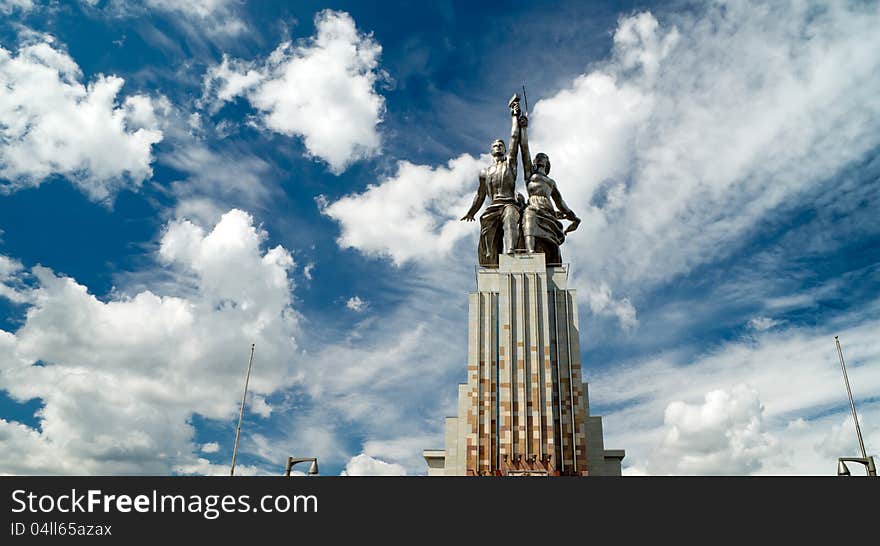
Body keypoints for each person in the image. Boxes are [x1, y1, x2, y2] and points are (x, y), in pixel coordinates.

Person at [461, 96, 526, 267]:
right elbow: (480, 195)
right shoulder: (484, 172)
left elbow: (514, 138)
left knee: (511, 217)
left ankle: (511, 255)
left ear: (504, 149)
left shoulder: (510, 163)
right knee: (487, 240)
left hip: (509, 204)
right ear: (491, 151)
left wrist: (514, 117)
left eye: (501, 145)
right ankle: (491, 261)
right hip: (493, 207)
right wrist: (471, 212)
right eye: (495, 145)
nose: (498, 146)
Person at [517, 113, 579, 265]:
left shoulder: (551, 182)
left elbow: (560, 202)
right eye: (537, 157)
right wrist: (523, 129)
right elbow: (524, 149)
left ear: (547, 163)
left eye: (542, 157)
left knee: (552, 243)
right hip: (533, 206)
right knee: (528, 216)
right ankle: (530, 254)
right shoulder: (529, 174)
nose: (539, 158)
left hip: (548, 210)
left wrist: (572, 216)